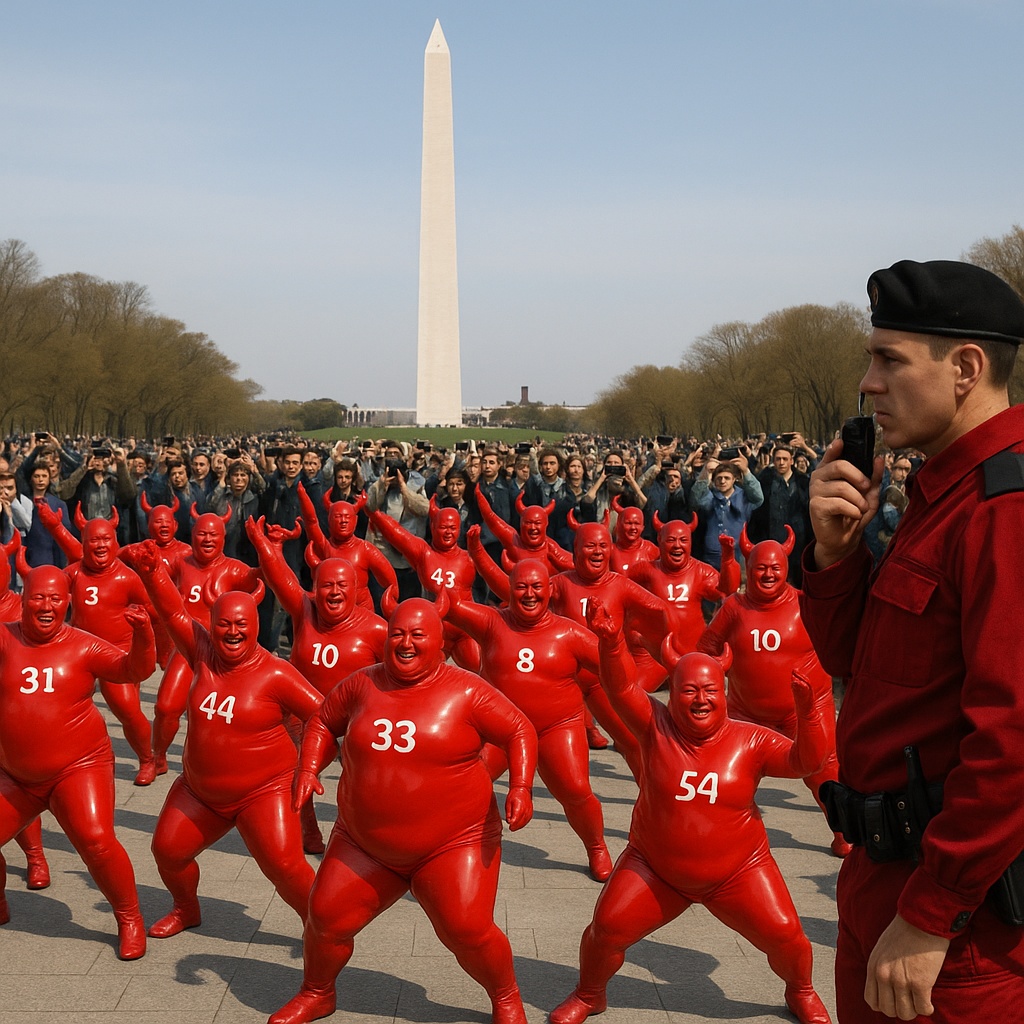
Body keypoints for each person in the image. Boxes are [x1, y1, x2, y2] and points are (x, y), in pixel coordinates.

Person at [799, 259, 1024, 1023]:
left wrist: (933, 910)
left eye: (888, 358)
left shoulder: (1004, 509)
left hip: (959, 924)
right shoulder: (942, 489)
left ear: (965, 368)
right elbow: (854, 664)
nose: (867, 382)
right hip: (886, 877)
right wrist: (836, 556)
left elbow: (1014, 739)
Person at [549, 597, 832, 1024]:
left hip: (740, 870)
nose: (700, 700)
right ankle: (590, 994)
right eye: (689, 690)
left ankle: (801, 990)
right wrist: (610, 644)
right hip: (655, 867)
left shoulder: (750, 740)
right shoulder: (654, 725)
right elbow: (622, 687)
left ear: (724, 693)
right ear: (672, 694)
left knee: (790, 939)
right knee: (605, 929)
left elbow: (805, 763)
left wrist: (809, 712)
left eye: (710, 691)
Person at [268, 598, 538, 1024]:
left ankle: (506, 997)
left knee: (467, 929)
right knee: (325, 917)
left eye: (417, 635)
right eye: (397, 634)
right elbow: (322, 721)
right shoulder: (361, 684)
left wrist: (520, 787)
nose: (405, 643)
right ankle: (317, 991)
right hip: (365, 840)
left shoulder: (466, 689)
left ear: (439, 643)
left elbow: (520, 728)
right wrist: (307, 766)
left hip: (453, 840)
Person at [134, 543, 322, 939]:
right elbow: (172, 612)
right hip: (199, 790)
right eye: (224, 624)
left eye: (242, 624)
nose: (233, 632)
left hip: (263, 791)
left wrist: (309, 765)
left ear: (255, 625)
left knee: (286, 868)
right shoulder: (201, 650)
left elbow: (324, 716)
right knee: (168, 851)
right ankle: (186, 908)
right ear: (213, 623)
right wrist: (152, 573)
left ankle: (324, 928)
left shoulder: (276, 673)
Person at [0, 566, 155, 959]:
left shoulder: (84, 645)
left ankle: (129, 917)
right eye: (38, 597)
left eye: (55, 598)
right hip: (15, 773)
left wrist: (143, 636)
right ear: (23, 599)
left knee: (97, 840)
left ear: (68, 602)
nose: (47, 606)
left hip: (78, 766)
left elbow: (135, 670)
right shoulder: (5, 638)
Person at [435, 558, 612, 880]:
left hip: (556, 726)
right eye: (521, 587)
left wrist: (611, 641)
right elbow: (453, 608)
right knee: (463, 784)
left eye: (536, 587)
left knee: (575, 789)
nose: (529, 594)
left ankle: (596, 846)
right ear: (509, 591)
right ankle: (446, 852)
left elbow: (616, 672)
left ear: (549, 591)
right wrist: (441, 599)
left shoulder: (569, 633)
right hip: (500, 729)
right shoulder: (492, 622)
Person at [696, 527, 847, 856]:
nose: (767, 574)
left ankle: (843, 831)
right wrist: (716, 668)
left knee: (824, 769)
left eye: (775, 568)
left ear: (786, 569)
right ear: (749, 571)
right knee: (727, 775)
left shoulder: (806, 606)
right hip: (746, 713)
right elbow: (705, 650)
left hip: (800, 711)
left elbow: (839, 648)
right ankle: (713, 835)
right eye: (760, 568)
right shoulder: (734, 608)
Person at [246, 516, 388, 853]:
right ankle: (309, 831)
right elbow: (280, 578)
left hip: (356, 720)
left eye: (342, 585)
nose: (334, 592)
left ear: (355, 590)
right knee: (295, 772)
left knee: (367, 784)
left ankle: (366, 838)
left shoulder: (377, 630)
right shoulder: (304, 609)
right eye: (327, 585)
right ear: (315, 587)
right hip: (307, 718)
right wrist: (262, 543)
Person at [32, 507, 158, 785]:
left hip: (116, 655)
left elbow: (155, 611)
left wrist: (144, 630)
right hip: (77, 653)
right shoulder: (74, 573)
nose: (100, 545)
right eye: (93, 540)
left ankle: (148, 759)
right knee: (56, 706)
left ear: (115, 543)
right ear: (84, 543)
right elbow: (49, 591)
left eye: (105, 540)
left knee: (127, 709)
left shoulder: (127, 577)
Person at [626, 515, 740, 691]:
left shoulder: (701, 572)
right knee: (632, 694)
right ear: (660, 541)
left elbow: (728, 589)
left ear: (690, 543)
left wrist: (728, 559)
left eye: (683, 540)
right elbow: (620, 588)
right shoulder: (646, 571)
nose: (677, 545)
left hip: (692, 653)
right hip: (656, 657)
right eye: (671, 540)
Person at [368, 501, 480, 671]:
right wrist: (375, 514)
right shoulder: (424, 553)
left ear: (459, 529)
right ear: (433, 527)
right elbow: (398, 534)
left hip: (463, 631)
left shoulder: (470, 557)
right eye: (443, 527)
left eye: (453, 528)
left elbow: (496, 573)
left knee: (481, 669)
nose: (448, 532)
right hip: (433, 630)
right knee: (425, 679)